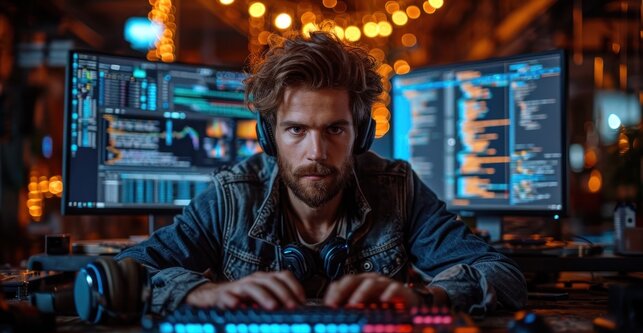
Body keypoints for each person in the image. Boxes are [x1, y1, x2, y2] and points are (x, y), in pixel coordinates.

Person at [116, 31, 527, 315]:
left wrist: (425, 298)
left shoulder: (397, 189)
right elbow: (130, 270)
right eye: (296, 129)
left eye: (335, 129)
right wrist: (202, 294)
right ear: (269, 135)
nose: (316, 152)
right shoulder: (232, 196)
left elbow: (503, 276)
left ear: (360, 134)